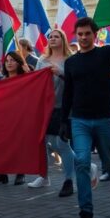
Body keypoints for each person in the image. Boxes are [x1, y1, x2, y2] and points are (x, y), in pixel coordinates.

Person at [60, 0, 110, 218]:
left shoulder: (106, 54)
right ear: (75, 36)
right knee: (81, 161)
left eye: (87, 33)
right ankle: (86, 214)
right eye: (80, 34)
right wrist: (64, 121)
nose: (83, 37)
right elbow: (68, 94)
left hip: (104, 119)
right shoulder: (70, 62)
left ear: (95, 34)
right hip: (79, 120)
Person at [28, 29, 76, 197]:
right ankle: (44, 176)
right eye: (50, 37)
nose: (53, 39)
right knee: (45, 143)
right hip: (45, 107)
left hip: (64, 107)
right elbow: (35, 82)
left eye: (56, 36)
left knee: (61, 144)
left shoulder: (71, 60)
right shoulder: (42, 60)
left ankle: (69, 178)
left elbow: (76, 81)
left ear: (63, 40)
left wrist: (61, 73)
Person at [0, 51, 28, 186]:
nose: (9, 63)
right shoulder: (0, 79)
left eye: (13, 60)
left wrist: (29, 74)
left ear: (19, 63)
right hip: (2, 116)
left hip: (20, 116)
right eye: (7, 60)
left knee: (18, 144)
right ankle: (2, 173)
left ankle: (20, 172)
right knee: (2, 145)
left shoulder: (25, 78)